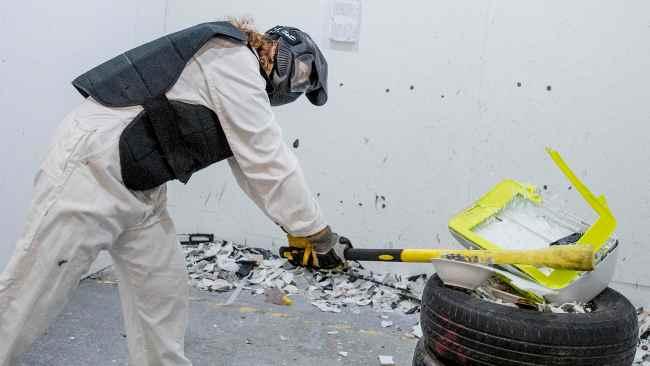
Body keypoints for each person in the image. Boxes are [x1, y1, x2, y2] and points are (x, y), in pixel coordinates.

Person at [0, 19, 350, 366]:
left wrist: (299, 229)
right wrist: (317, 233)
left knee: (161, 291)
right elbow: (268, 160)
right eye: (302, 73)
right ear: (282, 50)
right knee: (30, 293)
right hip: (92, 170)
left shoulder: (235, 70)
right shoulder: (232, 58)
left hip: (139, 185)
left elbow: (251, 167)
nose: (297, 83)